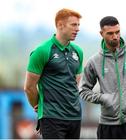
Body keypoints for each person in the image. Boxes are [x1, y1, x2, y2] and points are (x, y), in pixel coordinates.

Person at [79, 16, 126, 139]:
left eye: (117, 32)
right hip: (107, 125)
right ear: (101, 33)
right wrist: (102, 98)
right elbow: (83, 90)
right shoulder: (94, 61)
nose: (115, 36)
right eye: (110, 33)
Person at [24, 8, 83, 139]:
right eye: (74, 25)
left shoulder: (78, 51)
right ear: (60, 25)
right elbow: (29, 87)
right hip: (52, 117)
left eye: (78, 25)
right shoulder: (42, 51)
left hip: (75, 116)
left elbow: (75, 82)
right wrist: (39, 106)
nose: (78, 29)